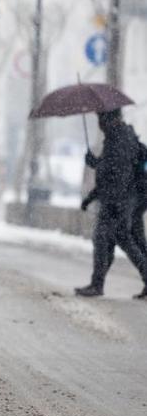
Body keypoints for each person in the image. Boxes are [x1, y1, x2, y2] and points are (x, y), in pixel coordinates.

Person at [75, 109, 147, 299]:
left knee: (105, 239)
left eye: (100, 119)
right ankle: (97, 283)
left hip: (119, 200)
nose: (99, 124)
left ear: (108, 119)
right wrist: (91, 196)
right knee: (132, 241)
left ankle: (97, 284)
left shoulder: (119, 139)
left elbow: (115, 173)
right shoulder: (121, 136)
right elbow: (110, 170)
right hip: (132, 199)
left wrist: (96, 165)